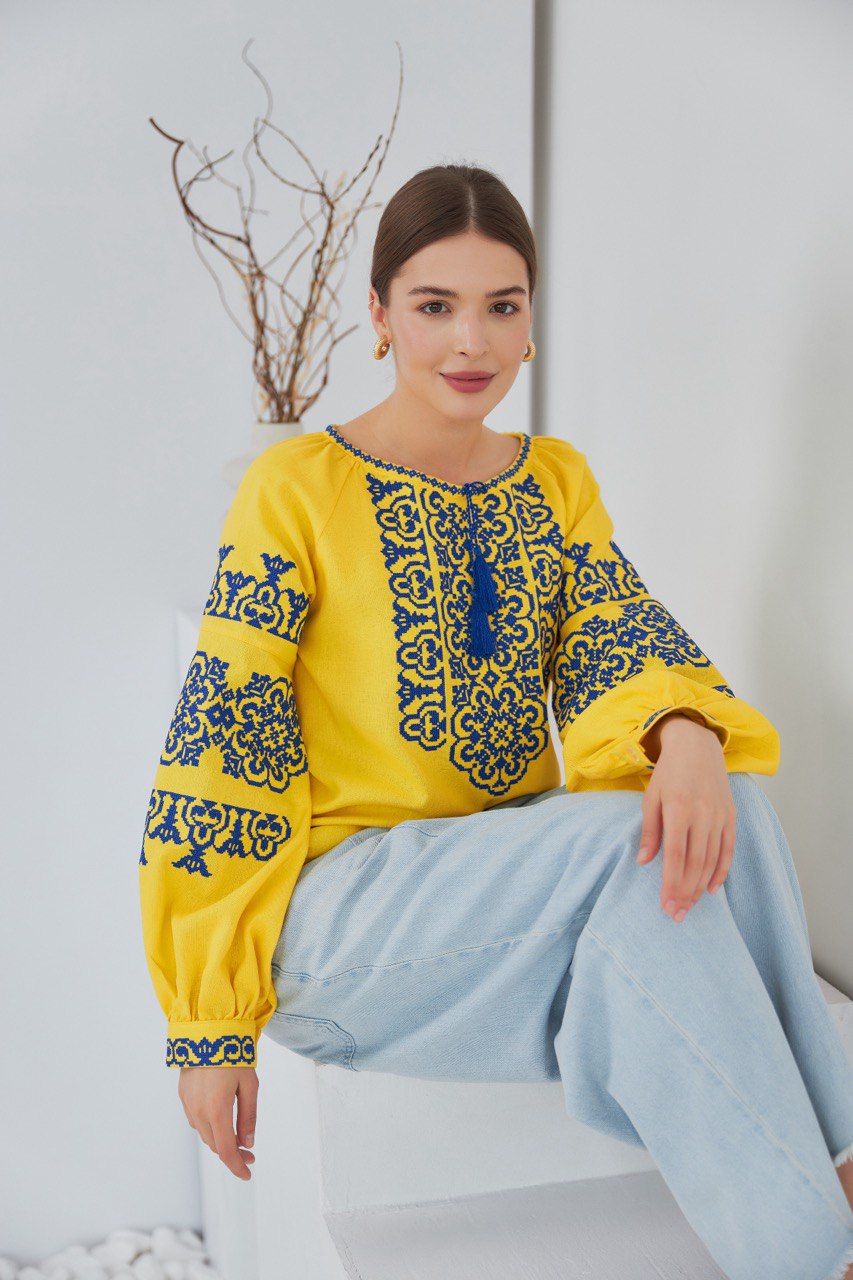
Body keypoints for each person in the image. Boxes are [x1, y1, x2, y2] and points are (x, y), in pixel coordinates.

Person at [138, 163, 853, 1279]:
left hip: (506, 903)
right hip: (340, 922)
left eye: (500, 305)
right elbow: (226, 741)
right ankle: (821, 1235)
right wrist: (207, 1023)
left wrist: (688, 733)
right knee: (623, 839)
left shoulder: (552, 483)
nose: (470, 340)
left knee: (736, 808)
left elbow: (614, 628)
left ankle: (832, 1186)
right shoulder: (294, 488)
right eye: (435, 305)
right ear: (379, 314)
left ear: (529, 321)